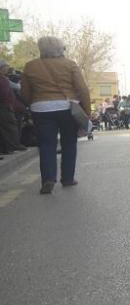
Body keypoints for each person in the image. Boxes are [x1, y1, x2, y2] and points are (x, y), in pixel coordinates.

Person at [19, 37, 91, 194]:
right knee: (69, 144)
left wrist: (33, 103)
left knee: (46, 145)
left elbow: (24, 92)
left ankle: (48, 179)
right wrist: (87, 111)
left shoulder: (30, 66)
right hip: (67, 107)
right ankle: (67, 179)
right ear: (60, 49)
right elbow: (83, 90)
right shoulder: (70, 64)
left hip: (41, 109)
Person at [0, 60, 27, 155]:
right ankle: (12, 145)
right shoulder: (2, 79)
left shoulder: (4, 78)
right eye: (5, 67)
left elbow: (16, 87)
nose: (7, 69)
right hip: (4, 106)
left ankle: (9, 146)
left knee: (10, 126)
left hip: (8, 105)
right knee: (10, 126)